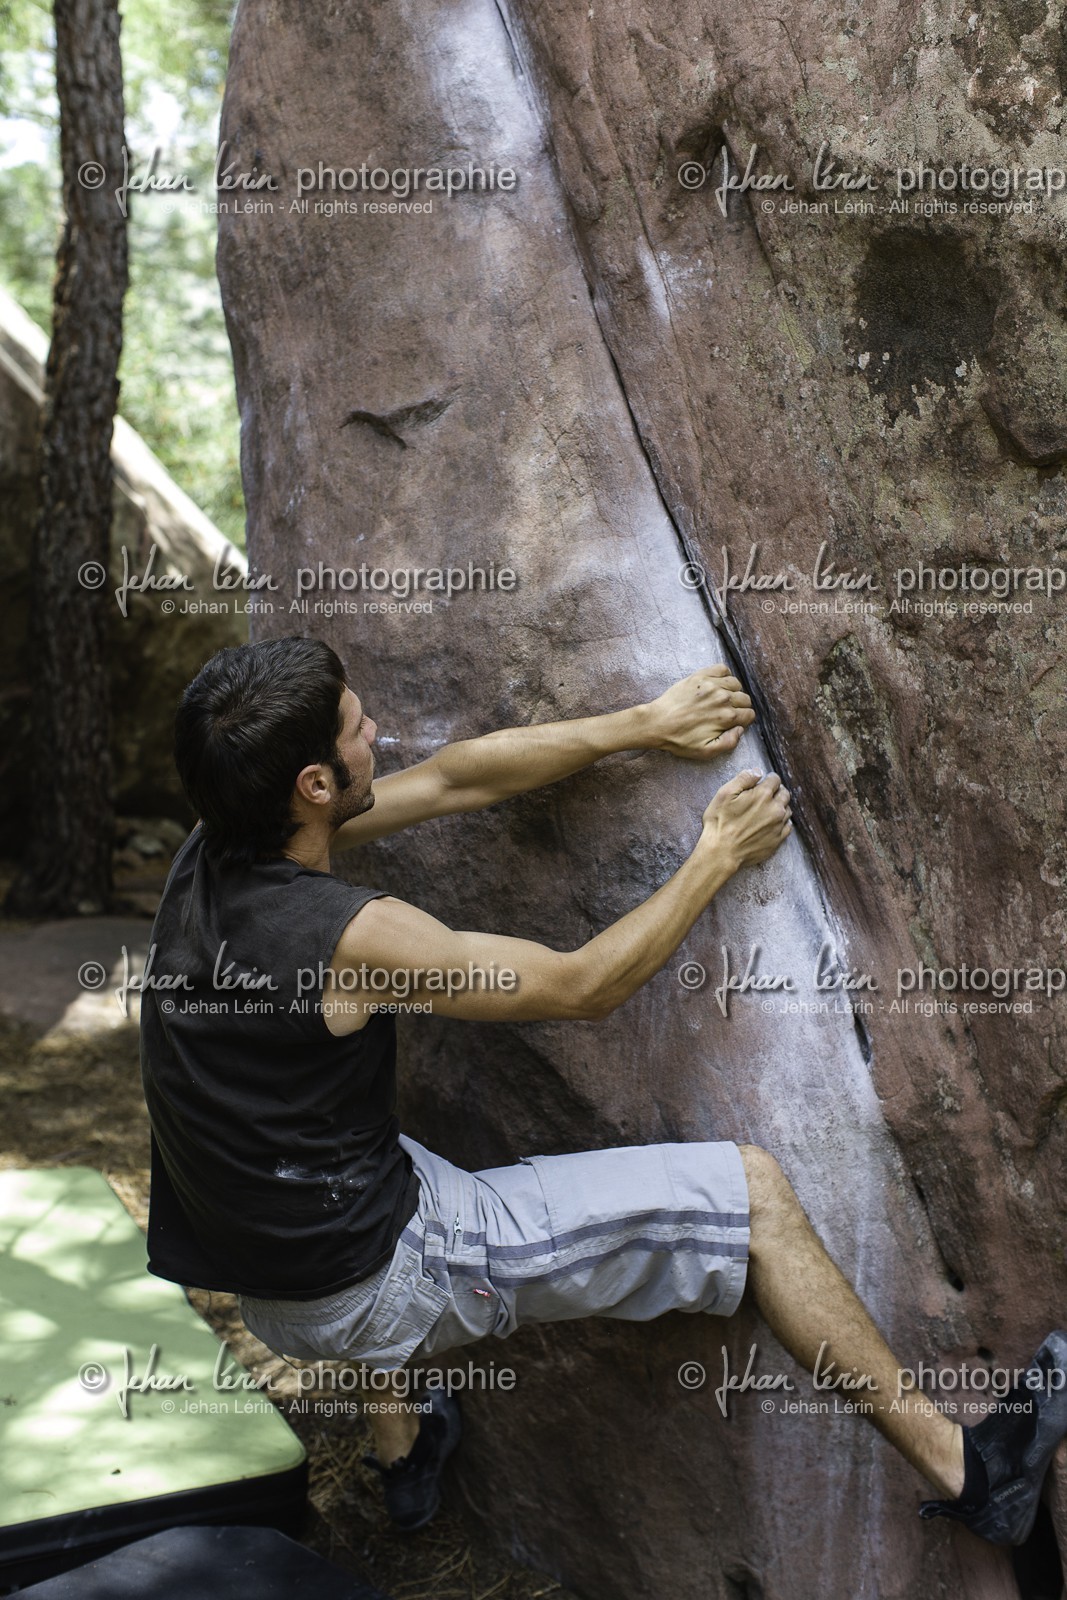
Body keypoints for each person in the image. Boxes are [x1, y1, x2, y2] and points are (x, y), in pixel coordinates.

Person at [140, 636, 1066, 1542]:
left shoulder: (211, 849)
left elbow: (453, 780)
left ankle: (403, 1448)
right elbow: (581, 986)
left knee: (359, 1144)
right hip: (370, 1277)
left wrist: (644, 723)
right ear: (314, 786)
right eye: (355, 727)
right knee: (752, 1198)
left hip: (264, 1275)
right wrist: (715, 854)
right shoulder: (354, 938)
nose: (374, 729)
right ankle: (972, 1473)